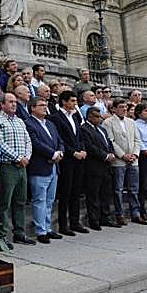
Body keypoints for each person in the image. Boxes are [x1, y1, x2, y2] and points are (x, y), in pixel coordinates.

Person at [0, 93, 33, 249]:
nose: (14, 104)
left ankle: (20, 233)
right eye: (10, 102)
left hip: (22, 166)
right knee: (4, 203)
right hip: (7, 166)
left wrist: (26, 157)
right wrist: (17, 157)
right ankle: (1, 236)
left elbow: (28, 140)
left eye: (15, 102)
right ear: (2, 104)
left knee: (20, 201)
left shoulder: (20, 121)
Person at [25, 97, 64, 244]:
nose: (45, 107)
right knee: (39, 199)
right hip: (39, 167)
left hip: (54, 167)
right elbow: (35, 143)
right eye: (41, 105)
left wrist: (60, 152)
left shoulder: (50, 124)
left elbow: (59, 141)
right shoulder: (28, 123)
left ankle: (47, 228)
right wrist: (52, 154)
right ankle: (40, 231)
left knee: (49, 200)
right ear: (32, 108)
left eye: (45, 105)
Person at [49, 90, 88, 235]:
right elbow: (61, 140)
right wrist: (73, 152)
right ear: (64, 101)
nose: (74, 103)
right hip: (67, 160)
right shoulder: (56, 118)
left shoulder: (76, 117)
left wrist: (83, 150)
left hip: (79, 159)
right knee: (65, 192)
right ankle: (63, 225)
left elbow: (80, 136)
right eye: (72, 101)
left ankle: (75, 222)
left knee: (76, 191)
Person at [103, 98, 146, 225]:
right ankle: (119, 214)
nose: (124, 109)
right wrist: (123, 155)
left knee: (134, 188)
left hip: (133, 160)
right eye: (121, 107)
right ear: (114, 109)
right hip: (118, 161)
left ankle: (136, 213)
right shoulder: (108, 122)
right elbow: (111, 141)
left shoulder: (131, 122)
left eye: (125, 107)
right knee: (118, 189)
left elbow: (137, 140)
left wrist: (135, 154)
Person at [81, 107, 119, 230]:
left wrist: (111, 153)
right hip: (93, 166)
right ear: (89, 117)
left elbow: (109, 143)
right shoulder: (84, 129)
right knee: (93, 195)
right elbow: (90, 146)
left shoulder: (102, 129)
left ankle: (105, 217)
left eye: (99, 116)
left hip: (106, 167)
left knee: (105, 193)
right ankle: (94, 219)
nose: (99, 119)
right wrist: (105, 155)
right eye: (96, 116)